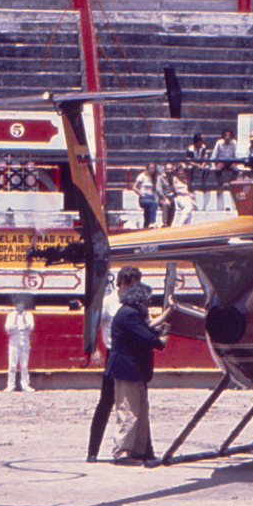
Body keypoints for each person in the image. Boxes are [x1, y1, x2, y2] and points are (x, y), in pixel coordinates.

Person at [107, 282, 169, 464]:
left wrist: (159, 332)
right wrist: (160, 341)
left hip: (133, 371)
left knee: (140, 412)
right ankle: (122, 452)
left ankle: (140, 451)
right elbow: (145, 335)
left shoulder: (128, 313)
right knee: (129, 412)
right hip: (128, 370)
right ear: (140, 300)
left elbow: (145, 330)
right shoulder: (129, 314)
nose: (149, 302)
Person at [89, 267, 138, 462]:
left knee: (135, 403)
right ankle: (92, 452)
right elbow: (92, 324)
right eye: (132, 284)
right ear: (123, 283)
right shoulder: (108, 302)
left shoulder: (135, 302)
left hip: (132, 355)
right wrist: (94, 349)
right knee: (106, 403)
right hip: (114, 355)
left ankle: (139, 450)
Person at [2, 296, 36, 393]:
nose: (20, 306)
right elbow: (8, 328)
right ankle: (10, 385)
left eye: (22, 304)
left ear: (24, 305)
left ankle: (25, 385)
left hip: (24, 338)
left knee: (24, 365)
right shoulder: (11, 316)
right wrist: (15, 324)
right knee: (12, 365)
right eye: (18, 304)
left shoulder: (28, 315)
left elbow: (31, 327)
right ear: (15, 305)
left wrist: (25, 323)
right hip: (14, 339)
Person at [210, 130, 238, 211]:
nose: (227, 137)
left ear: (231, 137)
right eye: (226, 135)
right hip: (221, 161)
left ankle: (231, 185)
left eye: (229, 135)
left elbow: (236, 155)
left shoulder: (234, 143)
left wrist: (236, 164)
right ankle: (220, 185)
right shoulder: (219, 143)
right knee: (217, 169)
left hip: (230, 161)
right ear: (223, 136)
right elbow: (214, 155)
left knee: (236, 170)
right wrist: (213, 166)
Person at [133, 162, 160, 229]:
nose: (152, 170)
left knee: (147, 213)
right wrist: (141, 193)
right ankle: (152, 222)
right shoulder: (142, 176)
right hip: (144, 197)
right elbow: (134, 187)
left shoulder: (153, 178)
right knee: (153, 204)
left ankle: (146, 226)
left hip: (151, 197)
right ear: (147, 168)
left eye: (153, 168)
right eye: (150, 168)